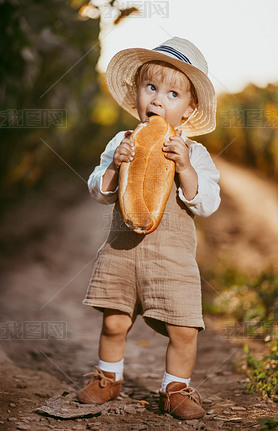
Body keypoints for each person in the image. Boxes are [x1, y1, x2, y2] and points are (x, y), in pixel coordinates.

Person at [77, 37, 221, 420]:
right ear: (137, 93)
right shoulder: (122, 141)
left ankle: (175, 388)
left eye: (172, 93)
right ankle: (108, 378)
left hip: (171, 260)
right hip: (121, 255)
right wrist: (113, 166)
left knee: (184, 329)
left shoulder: (196, 153)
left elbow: (207, 202)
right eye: (150, 88)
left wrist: (186, 169)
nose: (158, 100)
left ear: (190, 109)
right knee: (114, 321)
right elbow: (99, 191)